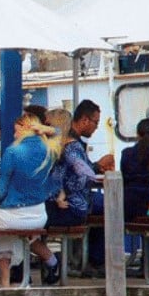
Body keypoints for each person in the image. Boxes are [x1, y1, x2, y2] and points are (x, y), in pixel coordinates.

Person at [0, 112, 66, 286]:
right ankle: (24, 279)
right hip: (39, 216)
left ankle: (5, 282)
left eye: (16, 131)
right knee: (17, 232)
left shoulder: (13, 151)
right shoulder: (49, 149)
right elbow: (60, 133)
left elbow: (1, 188)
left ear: (24, 128)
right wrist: (44, 129)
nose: (14, 135)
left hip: (13, 216)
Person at [48, 99, 114, 280]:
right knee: (112, 207)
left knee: (105, 207)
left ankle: (89, 257)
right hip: (75, 202)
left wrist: (96, 167)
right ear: (85, 120)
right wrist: (98, 167)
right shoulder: (73, 146)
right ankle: (96, 260)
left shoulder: (60, 145)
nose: (96, 127)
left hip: (60, 200)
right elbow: (83, 175)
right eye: (96, 123)